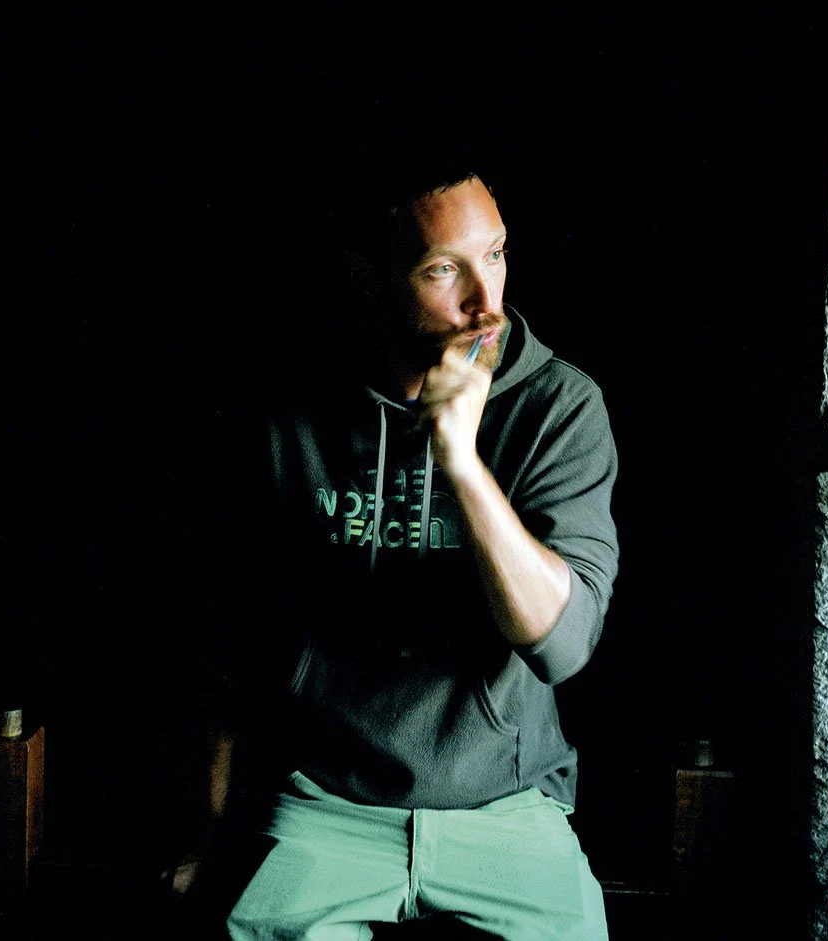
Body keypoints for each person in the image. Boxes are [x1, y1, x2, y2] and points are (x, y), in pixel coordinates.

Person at [164, 152, 620, 940]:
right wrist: (205, 834)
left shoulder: (559, 405)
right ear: (368, 278)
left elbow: (563, 640)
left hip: (504, 806)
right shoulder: (283, 412)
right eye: (445, 268)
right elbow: (228, 650)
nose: (488, 300)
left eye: (497, 254)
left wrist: (462, 462)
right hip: (323, 804)